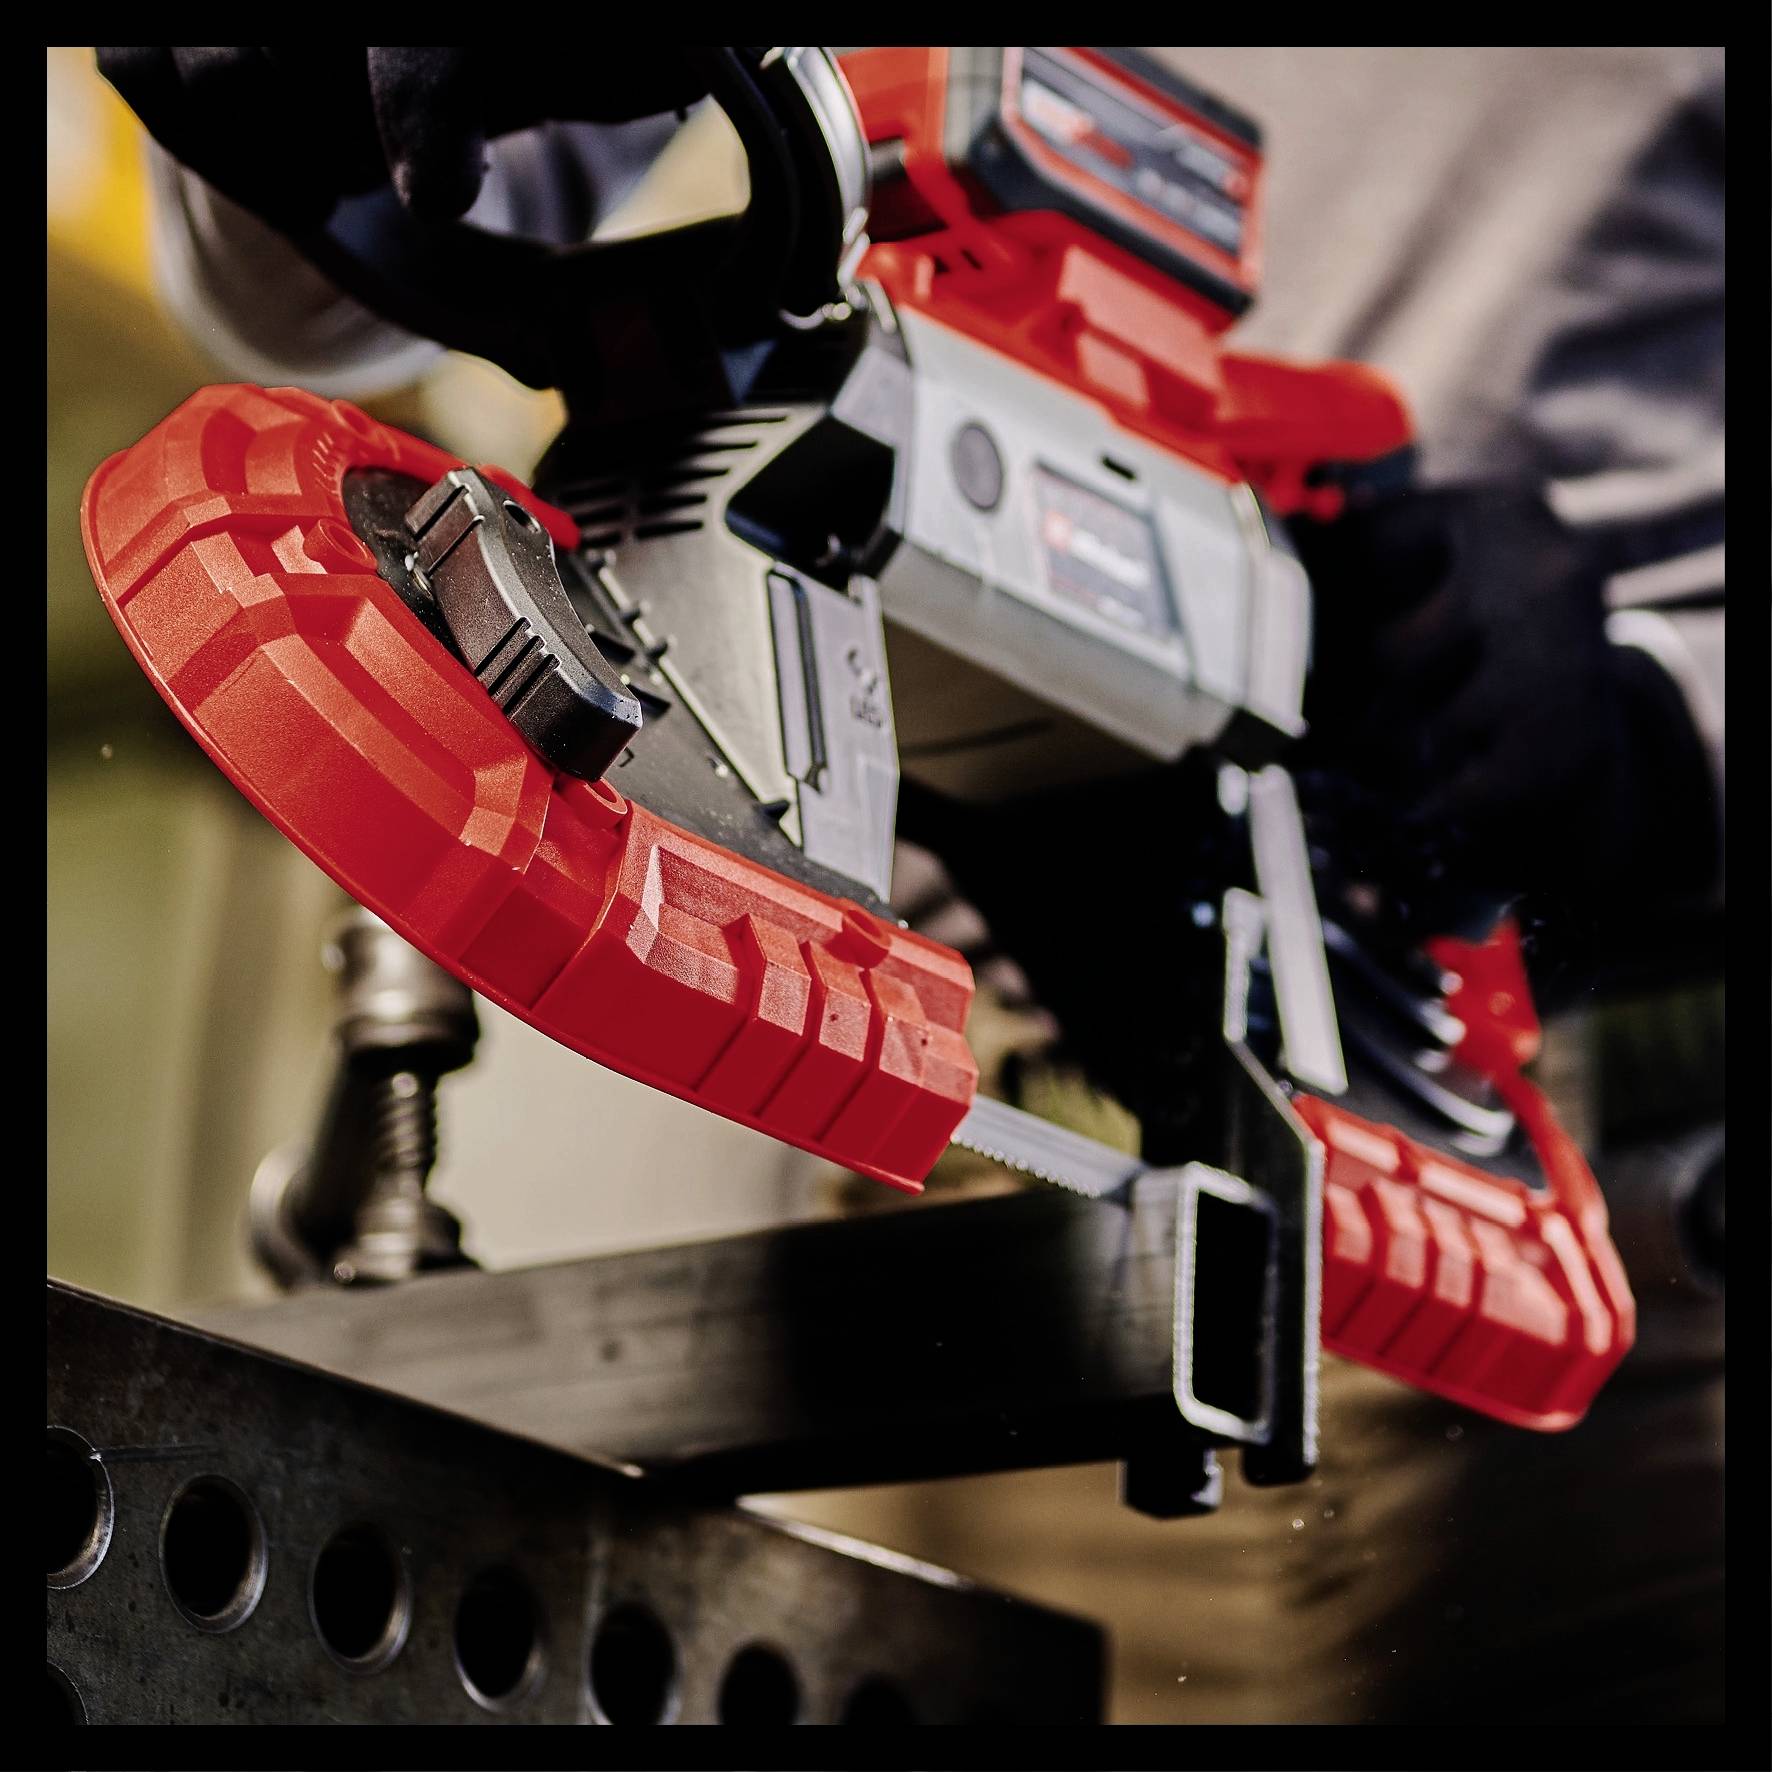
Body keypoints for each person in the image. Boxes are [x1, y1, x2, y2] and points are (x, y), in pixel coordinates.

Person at [98, 45, 1724, 1722]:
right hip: (973, 1246)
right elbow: (316, 287)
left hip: (1602, 1225)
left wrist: (1668, 730)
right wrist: (295, 93)